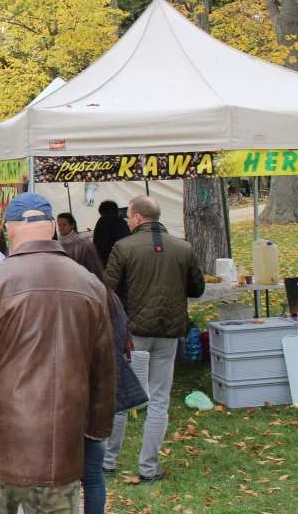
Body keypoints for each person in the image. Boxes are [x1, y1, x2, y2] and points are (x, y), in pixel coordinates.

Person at [0, 193, 116, 514]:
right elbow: (104, 371)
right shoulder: (90, 285)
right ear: (53, 227)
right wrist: (95, 429)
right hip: (60, 448)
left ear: (9, 230)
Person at [103, 196, 205, 483]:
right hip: (169, 332)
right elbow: (196, 288)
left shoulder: (123, 247)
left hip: (133, 334)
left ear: (136, 218)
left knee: (124, 396)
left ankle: (109, 461)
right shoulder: (182, 248)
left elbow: (107, 291)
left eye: (128, 217)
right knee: (159, 400)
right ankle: (148, 467)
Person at [57, 237, 148, 514]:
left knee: (76, 474)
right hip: (98, 395)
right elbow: (119, 340)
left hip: (76, 396)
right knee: (92, 474)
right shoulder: (109, 296)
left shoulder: (74, 300)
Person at [93, 200, 130, 267]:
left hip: (111, 262)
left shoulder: (103, 221)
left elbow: (98, 245)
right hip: (127, 259)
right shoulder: (123, 222)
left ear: (102, 212)